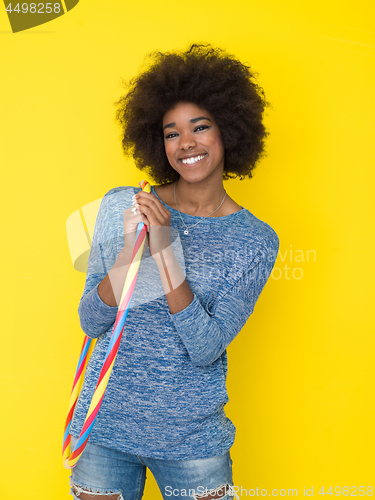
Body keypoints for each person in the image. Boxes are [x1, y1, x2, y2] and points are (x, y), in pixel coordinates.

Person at [68, 44, 279, 500]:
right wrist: (130, 253)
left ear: (229, 131)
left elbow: (205, 348)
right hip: (103, 431)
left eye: (200, 127)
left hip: (191, 444)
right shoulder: (125, 204)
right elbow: (91, 321)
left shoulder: (255, 240)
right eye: (171, 133)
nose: (186, 143)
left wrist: (164, 251)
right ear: (156, 142)